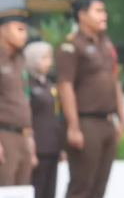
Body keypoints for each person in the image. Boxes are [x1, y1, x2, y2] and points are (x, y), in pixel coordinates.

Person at [55, 0, 124, 198]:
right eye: (98, 10)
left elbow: (115, 81)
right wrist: (74, 127)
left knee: (99, 188)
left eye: (104, 10)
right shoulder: (71, 46)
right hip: (86, 123)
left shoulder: (105, 44)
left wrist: (121, 118)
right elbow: (65, 86)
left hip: (106, 123)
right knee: (81, 186)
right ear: (82, 14)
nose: (104, 15)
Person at [0, 7, 36, 187]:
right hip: (4, 136)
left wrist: (29, 135)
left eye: (25, 30)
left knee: (22, 190)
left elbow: (24, 99)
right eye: (19, 29)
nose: (25, 34)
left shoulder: (21, 58)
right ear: (3, 30)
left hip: (23, 136)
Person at [24, 40, 63, 198]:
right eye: (44, 58)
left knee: (50, 191)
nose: (48, 62)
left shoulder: (49, 84)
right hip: (37, 148)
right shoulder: (26, 84)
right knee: (37, 191)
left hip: (52, 146)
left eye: (49, 58)